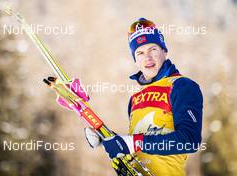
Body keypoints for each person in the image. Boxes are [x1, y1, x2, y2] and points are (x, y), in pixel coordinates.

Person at [84, 18, 203, 176]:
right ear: (135, 59)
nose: (147, 58)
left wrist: (133, 143)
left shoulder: (182, 86)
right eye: (140, 52)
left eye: (152, 49)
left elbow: (189, 141)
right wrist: (107, 139)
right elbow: (136, 147)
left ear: (164, 51)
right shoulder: (135, 98)